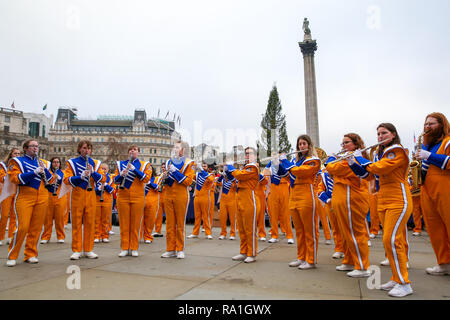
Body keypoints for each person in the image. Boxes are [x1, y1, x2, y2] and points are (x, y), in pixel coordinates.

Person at [349, 123, 413, 297]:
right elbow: (369, 175)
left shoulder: (397, 150)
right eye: (378, 134)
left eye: (384, 133)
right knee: (390, 241)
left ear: (393, 135)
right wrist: (353, 163)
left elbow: (381, 168)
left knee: (392, 240)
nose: (380, 136)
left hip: (398, 198)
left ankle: (404, 283)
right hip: (384, 198)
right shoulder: (379, 154)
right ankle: (396, 277)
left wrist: (361, 158)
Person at [325, 133, 371, 278]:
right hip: (342, 198)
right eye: (342, 143)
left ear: (356, 144)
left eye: (347, 143)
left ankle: (362, 266)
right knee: (346, 233)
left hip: (352, 199)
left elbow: (332, 168)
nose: (343, 146)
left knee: (355, 233)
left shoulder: (354, 157)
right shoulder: (346, 157)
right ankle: (350, 261)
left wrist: (332, 159)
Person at [6, 140, 54, 266]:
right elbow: (15, 178)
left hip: (42, 195)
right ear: (26, 148)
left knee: (36, 228)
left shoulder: (44, 163)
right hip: (25, 195)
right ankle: (12, 255)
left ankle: (31, 253)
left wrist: (45, 171)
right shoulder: (17, 161)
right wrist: (34, 172)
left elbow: (52, 180)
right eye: (32, 146)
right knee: (23, 227)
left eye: (37, 146)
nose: (35, 148)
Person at [414, 112, 450, 276]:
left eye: (432, 124)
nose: (427, 127)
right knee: (434, 228)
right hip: (426, 188)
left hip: (445, 186)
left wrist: (430, 156)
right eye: (426, 124)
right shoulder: (426, 145)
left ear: (442, 124)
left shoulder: (447, 141)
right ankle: (444, 263)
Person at [280, 135, 320, 270]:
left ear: (309, 145)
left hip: (307, 195)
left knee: (310, 230)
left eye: (304, 144)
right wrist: (278, 164)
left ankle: (311, 259)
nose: (301, 146)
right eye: (299, 144)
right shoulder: (296, 162)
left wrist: (286, 163)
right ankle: (301, 257)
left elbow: (301, 173)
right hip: (294, 195)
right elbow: (288, 177)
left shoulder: (313, 160)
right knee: (299, 230)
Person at [64, 140, 105, 260]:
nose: (86, 150)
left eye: (89, 148)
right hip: (77, 193)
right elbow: (66, 179)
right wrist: (80, 176)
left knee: (90, 223)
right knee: (76, 222)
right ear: (79, 149)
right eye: (84, 148)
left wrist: (93, 173)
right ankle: (76, 249)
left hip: (91, 194)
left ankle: (88, 249)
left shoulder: (96, 163)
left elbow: (103, 178)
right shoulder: (72, 162)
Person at [160, 140, 196, 259]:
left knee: (180, 223)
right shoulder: (168, 162)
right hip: (168, 194)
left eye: (178, 147)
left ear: (183, 150)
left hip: (181, 195)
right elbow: (167, 182)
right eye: (174, 147)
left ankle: (180, 249)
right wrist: (165, 177)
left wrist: (175, 171)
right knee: (169, 224)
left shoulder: (189, 163)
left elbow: (188, 181)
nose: (175, 149)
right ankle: (170, 249)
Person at [224, 147, 260, 263]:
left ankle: (252, 253)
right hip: (240, 198)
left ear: (255, 156)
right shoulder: (245, 167)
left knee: (250, 228)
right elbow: (236, 181)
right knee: (242, 228)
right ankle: (243, 251)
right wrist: (228, 173)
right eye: (246, 154)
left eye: (249, 154)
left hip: (250, 199)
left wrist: (230, 167)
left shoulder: (253, 167)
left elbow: (240, 176)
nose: (247, 156)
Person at [114, 145, 151, 257]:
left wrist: (134, 170)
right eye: (130, 150)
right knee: (124, 224)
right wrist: (121, 175)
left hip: (138, 197)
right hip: (123, 196)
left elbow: (146, 178)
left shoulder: (145, 165)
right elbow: (115, 181)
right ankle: (125, 247)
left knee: (135, 224)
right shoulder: (120, 164)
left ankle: (134, 247)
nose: (132, 151)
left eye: (135, 150)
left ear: (138, 152)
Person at [263, 158, 294, 244]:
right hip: (273, 188)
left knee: (286, 213)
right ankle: (274, 235)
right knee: (273, 213)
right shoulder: (269, 165)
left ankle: (290, 236)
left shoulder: (286, 163)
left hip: (283, 186)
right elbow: (266, 176)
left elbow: (289, 176)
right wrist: (268, 188)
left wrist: (281, 163)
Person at [317, 168, 345, 259]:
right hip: (330, 204)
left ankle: (348, 249)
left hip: (343, 203)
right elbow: (319, 190)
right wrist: (327, 199)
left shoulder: (343, 173)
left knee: (345, 228)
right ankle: (339, 249)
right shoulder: (325, 176)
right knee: (335, 228)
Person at [41, 157, 66, 244]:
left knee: (60, 218)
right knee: (47, 219)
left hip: (60, 197)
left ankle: (61, 236)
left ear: (60, 164)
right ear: (51, 163)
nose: (56, 164)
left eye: (57, 162)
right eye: (54, 162)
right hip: (48, 196)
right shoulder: (47, 172)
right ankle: (45, 236)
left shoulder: (63, 172)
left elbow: (65, 182)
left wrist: (59, 178)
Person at [188, 162, 214, 239]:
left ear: (208, 167)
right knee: (197, 216)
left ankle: (208, 233)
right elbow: (190, 177)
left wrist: (202, 170)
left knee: (206, 216)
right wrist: (192, 168)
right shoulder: (198, 174)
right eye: (202, 166)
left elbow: (211, 180)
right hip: (197, 197)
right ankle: (195, 233)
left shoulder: (210, 175)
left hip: (205, 197)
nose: (203, 167)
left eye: (204, 166)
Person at [0, 147, 20, 246]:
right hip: (6, 191)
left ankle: (11, 236)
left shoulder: (20, 165)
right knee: (4, 215)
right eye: (15, 153)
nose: (17, 155)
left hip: (16, 191)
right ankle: (1, 236)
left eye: (18, 154)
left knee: (14, 215)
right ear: (11, 154)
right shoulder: (3, 165)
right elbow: (1, 177)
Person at [94, 163, 114, 243]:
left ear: (108, 169)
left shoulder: (111, 178)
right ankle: (96, 235)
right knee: (96, 219)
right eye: (102, 168)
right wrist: (98, 188)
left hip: (107, 200)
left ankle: (105, 235)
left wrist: (106, 185)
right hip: (97, 200)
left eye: (105, 169)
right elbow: (91, 190)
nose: (103, 170)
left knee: (105, 219)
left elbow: (113, 190)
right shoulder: (96, 178)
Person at [216, 169, 237, 240]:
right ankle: (223, 233)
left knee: (232, 218)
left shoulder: (234, 181)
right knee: (223, 218)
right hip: (223, 201)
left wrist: (230, 175)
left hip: (232, 201)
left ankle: (232, 233)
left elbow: (236, 187)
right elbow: (217, 182)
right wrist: (222, 175)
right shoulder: (223, 180)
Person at [141, 165, 160, 244]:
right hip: (141, 200)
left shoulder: (156, 178)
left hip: (152, 202)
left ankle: (148, 236)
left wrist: (150, 183)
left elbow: (158, 188)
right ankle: (138, 236)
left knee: (150, 220)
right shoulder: (141, 178)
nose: (148, 170)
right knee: (139, 220)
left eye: (150, 169)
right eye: (146, 169)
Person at [152, 163, 166, 238]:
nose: (163, 168)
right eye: (162, 167)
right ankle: (158, 231)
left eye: (164, 167)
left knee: (170, 217)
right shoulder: (160, 176)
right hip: (160, 197)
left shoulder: (170, 175)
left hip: (167, 197)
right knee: (158, 216)